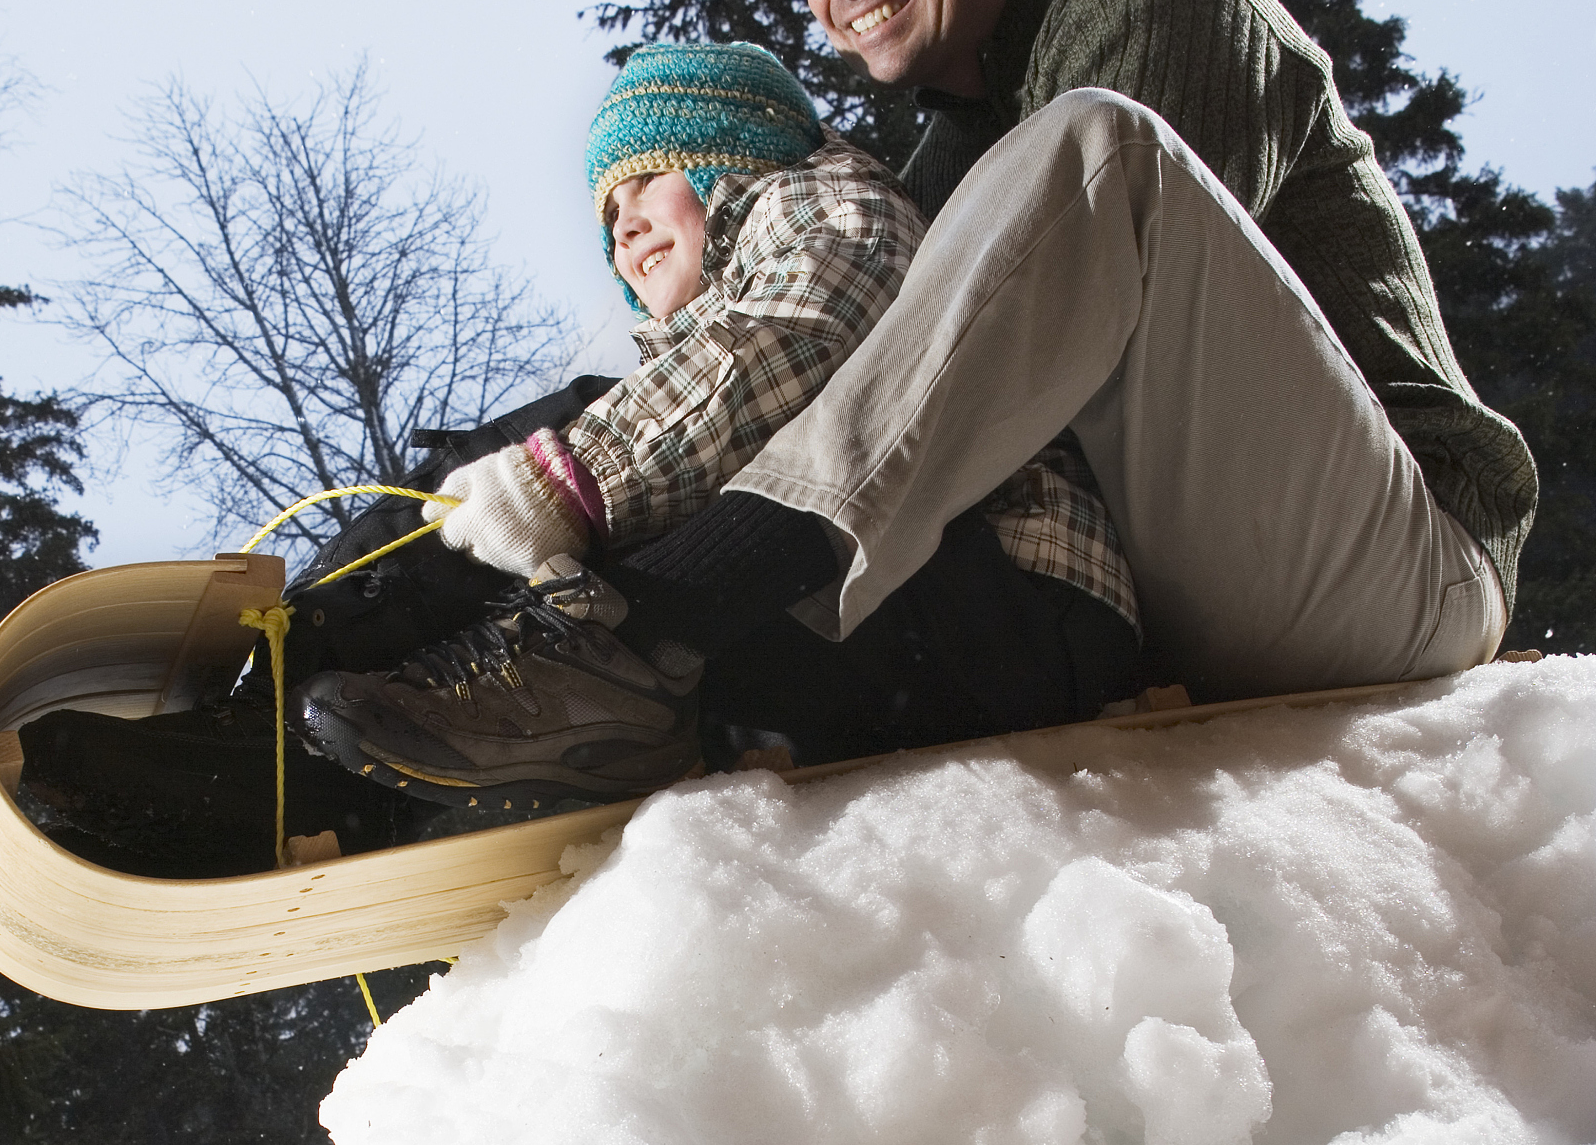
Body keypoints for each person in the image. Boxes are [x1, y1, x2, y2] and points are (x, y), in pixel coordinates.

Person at [292, 0, 1535, 812]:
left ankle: (640, 636)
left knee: (1086, 155)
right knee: (723, 337)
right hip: (1178, 605)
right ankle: (370, 639)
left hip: (1388, 566)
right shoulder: (937, 166)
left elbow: (1087, 309)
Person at [293, 40, 1144, 810]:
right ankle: (340, 714)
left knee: (578, 429)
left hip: (1020, 609)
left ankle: (368, 606)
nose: (622, 224)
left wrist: (570, 480)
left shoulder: (833, 206)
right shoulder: (710, 336)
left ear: (733, 158)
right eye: (607, 214)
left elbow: (805, 336)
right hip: (903, 637)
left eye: (646, 180)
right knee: (559, 495)